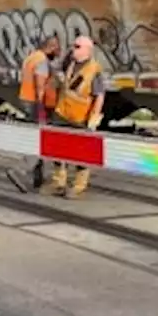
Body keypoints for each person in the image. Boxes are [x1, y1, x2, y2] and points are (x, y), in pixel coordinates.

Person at [41, 36, 104, 199]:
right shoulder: (70, 63)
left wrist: (94, 117)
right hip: (62, 113)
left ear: (87, 50)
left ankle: (78, 186)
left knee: (80, 153)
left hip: (79, 117)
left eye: (77, 46)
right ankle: (58, 183)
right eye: (73, 46)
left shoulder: (94, 69)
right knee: (57, 149)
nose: (72, 49)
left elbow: (99, 95)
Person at [6, 35, 60, 193]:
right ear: (51, 47)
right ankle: (19, 170)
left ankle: (39, 178)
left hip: (27, 101)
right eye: (57, 48)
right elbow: (40, 85)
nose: (58, 52)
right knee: (40, 140)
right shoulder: (42, 61)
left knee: (36, 137)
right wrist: (41, 105)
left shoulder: (31, 57)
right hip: (37, 104)